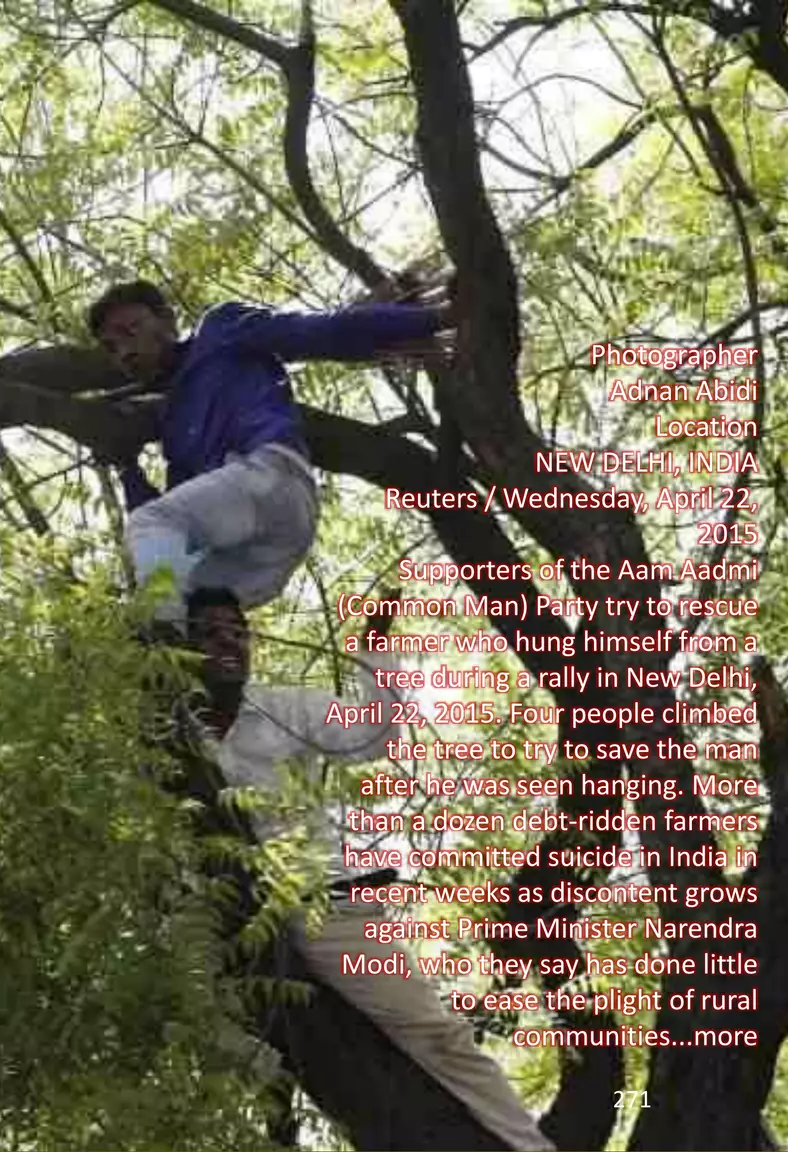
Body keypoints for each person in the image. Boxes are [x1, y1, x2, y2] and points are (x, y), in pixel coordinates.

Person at [182, 585, 552, 1151]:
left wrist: (374, 650)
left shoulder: (281, 707)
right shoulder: (170, 735)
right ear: (180, 646)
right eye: (210, 632)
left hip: (324, 900)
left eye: (239, 632)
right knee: (225, 1046)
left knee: (436, 1034)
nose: (230, 643)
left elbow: (370, 737)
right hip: (227, 917)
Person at [88, 281, 453, 624]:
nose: (124, 351)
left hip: (272, 477)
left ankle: (162, 627)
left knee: (155, 552)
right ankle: (181, 671)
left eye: (130, 330)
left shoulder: (219, 331)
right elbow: (167, 541)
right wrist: (127, 467)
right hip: (267, 553)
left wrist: (437, 318)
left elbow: (320, 331)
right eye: (111, 347)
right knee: (181, 599)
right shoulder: (174, 420)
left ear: (167, 320)